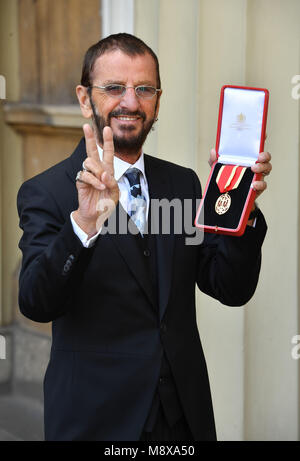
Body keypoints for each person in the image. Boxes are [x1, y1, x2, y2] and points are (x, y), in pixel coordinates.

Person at [17, 33, 271, 441]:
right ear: (85, 98)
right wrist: (83, 224)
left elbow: (230, 287)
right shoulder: (46, 192)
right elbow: (35, 301)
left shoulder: (183, 184)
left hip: (183, 420)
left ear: (157, 99)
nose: (131, 102)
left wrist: (245, 211)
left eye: (144, 89)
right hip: (95, 421)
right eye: (114, 88)